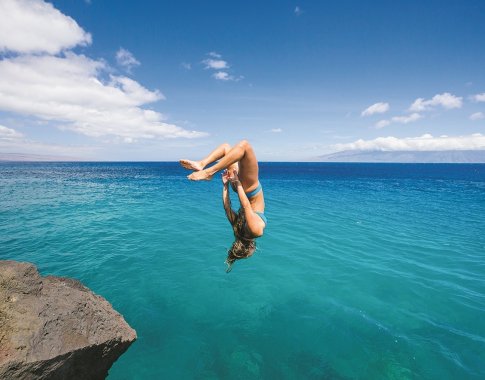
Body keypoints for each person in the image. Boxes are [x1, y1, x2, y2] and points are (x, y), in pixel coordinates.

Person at [180, 140, 266, 272]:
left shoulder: (256, 231)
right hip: (237, 188)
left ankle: (208, 171)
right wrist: (226, 185)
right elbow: (227, 207)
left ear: (249, 248)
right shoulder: (238, 228)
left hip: (248, 188)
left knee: (245, 146)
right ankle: (202, 164)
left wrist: (237, 182)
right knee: (226, 149)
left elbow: (247, 206)